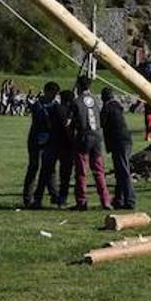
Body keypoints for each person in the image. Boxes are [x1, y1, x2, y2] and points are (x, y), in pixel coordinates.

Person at [66, 75, 112, 210]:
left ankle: (81, 202)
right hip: (97, 137)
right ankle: (106, 201)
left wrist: (71, 136)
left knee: (81, 172)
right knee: (99, 171)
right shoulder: (96, 100)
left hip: (83, 137)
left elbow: (68, 123)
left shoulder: (76, 102)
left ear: (78, 85)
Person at [23, 82, 61, 209]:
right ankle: (28, 198)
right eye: (52, 94)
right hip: (36, 141)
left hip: (50, 141)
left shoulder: (55, 104)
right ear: (46, 92)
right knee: (34, 168)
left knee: (50, 169)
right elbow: (44, 120)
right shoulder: (38, 105)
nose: (54, 97)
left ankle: (54, 195)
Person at [101, 87, 136, 209]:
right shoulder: (117, 106)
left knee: (123, 171)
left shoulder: (107, 108)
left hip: (118, 142)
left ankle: (130, 200)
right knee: (120, 171)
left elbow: (102, 123)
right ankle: (119, 199)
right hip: (125, 140)